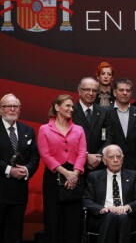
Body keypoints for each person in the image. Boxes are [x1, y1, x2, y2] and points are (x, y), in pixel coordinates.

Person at [38, 94, 87, 243]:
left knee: (73, 221)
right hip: (54, 178)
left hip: (75, 177)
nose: (71, 109)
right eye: (67, 106)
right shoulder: (44, 129)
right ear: (57, 107)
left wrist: (75, 174)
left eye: (72, 106)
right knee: (53, 220)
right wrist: (66, 173)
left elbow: (82, 153)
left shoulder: (79, 129)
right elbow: (45, 155)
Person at [83, 144, 136, 243]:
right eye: (111, 157)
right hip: (102, 217)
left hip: (127, 217)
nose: (116, 160)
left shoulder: (133, 176)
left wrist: (127, 207)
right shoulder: (94, 177)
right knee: (111, 216)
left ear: (123, 159)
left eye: (118, 156)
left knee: (123, 217)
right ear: (104, 160)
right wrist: (103, 209)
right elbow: (86, 200)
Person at [0, 93, 40, 243]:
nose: (12, 109)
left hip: (19, 191)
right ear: (0, 110)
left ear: (20, 109)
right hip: (1, 187)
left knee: (15, 233)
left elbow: (35, 156)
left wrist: (27, 170)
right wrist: (9, 170)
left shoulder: (28, 130)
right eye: (8, 106)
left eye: (15, 106)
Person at [73, 77, 114, 171]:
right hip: (76, 166)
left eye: (94, 90)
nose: (91, 93)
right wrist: (86, 156)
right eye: (87, 89)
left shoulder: (104, 112)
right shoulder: (71, 111)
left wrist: (98, 157)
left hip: (99, 165)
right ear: (79, 91)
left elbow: (108, 136)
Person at [108, 78, 136, 170]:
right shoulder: (105, 112)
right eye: (121, 90)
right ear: (114, 93)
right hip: (111, 164)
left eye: (128, 90)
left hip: (135, 166)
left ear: (131, 93)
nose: (125, 93)